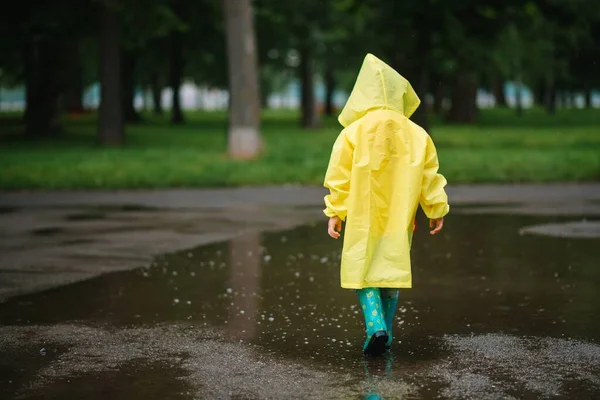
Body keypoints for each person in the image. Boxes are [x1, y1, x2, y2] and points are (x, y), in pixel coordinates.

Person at [323, 53, 449, 357]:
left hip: (362, 219)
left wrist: (335, 212)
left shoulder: (352, 133)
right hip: (398, 217)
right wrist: (435, 207)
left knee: (362, 272)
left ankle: (375, 326)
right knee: (389, 271)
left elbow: (339, 176)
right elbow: (429, 176)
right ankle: (386, 334)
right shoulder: (417, 134)